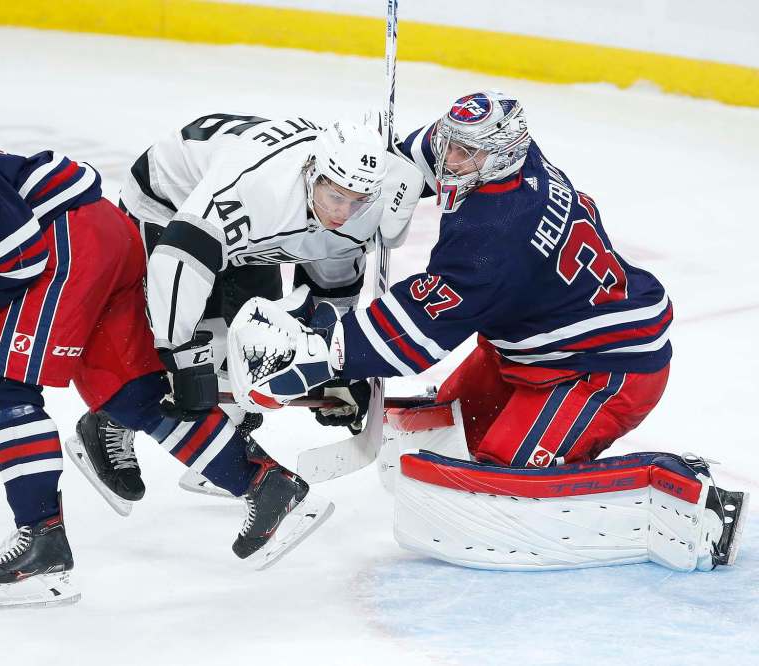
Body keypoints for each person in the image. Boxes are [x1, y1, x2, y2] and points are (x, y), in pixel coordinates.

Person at [0, 77, 333, 610]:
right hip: (87, 240)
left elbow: (18, 256)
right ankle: (268, 487)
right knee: (130, 393)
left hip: (69, 239)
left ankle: (42, 545)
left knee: (7, 382)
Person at [228, 90, 672, 470]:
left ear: (500, 155)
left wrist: (328, 349)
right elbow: (422, 154)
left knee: (502, 467)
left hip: (605, 365)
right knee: (451, 427)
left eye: (464, 153)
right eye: (451, 143)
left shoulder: (496, 232)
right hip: (526, 343)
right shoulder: (512, 155)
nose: (449, 159)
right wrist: (383, 176)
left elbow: (421, 330)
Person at [71, 113, 425, 504]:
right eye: (335, 197)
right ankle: (109, 421)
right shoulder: (258, 192)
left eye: (357, 203)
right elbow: (179, 260)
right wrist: (180, 357)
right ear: (312, 174)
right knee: (172, 345)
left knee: (257, 344)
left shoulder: (359, 214)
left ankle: (226, 435)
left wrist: (334, 368)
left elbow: (330, 290)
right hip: (170, 206)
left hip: (246, 234)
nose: (342, 214)